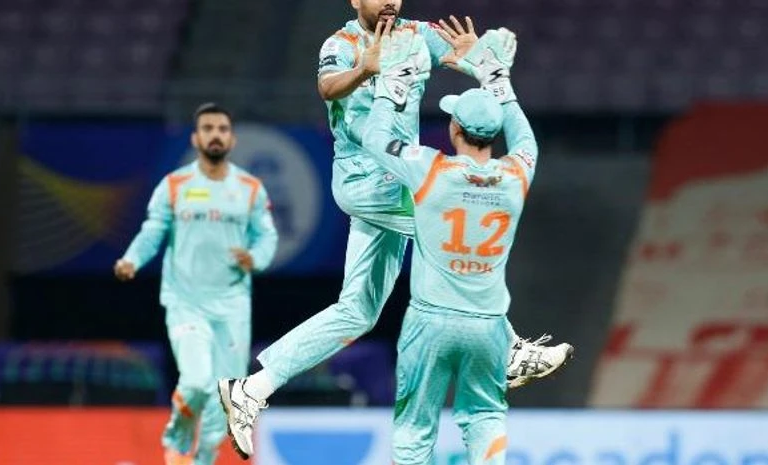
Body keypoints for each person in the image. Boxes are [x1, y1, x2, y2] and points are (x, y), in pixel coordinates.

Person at [217, 4, 572, 459]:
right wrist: (365, 69)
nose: (390, 1)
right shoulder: (341, 45)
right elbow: (328, 88)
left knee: (357, 311)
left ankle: (251, 388)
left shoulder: (415, 33)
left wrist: (480, 57)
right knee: (450, 224)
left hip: (399, 176)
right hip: (365, 181)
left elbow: (463, 57)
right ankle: (506, 350)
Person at [361, 26, 537, 465]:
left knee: (415, 427)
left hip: (430, 321)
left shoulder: (430, 169)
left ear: (455, 128)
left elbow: (372, 137)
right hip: (489, 324)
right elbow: (526, 141)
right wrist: (497, 78)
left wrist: (393, 84)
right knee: (484, 417)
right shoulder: (517, 176)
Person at [114, 103, 278, 465]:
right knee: (197, 381)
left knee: (227, 400)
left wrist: (256, 257)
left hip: (233, 305)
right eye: (208, 128)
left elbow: (267, 237)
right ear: (195, 137)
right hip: (186, 301)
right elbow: (152, 231)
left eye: (222, 128)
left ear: (232, 139)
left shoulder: (250, 189)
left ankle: (202, 460)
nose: (215, 134)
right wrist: (131, 260)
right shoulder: (174, 186)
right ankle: (176, 439)